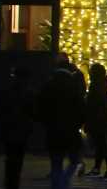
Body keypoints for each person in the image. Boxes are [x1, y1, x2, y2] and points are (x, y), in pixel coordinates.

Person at [38, 53, 86, 189]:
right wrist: (79, 123)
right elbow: (81, 107)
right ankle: (63, 182)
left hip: (53, 129)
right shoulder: (74, 85)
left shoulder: (49, 85)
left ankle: (57, 184)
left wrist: (46, 122)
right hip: (70, 129)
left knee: (56, 162)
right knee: (74, 159)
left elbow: (41, 107)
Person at [0, 65, 36, 189]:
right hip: (22, 131)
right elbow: (33, 112)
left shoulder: (6, 91)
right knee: (18, 159)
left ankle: (9, 183)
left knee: (10, 158)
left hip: (8, 129)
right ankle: (14, 182)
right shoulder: (29, 93)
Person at [83, 63, 107, 179]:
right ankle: (99, 168)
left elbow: (95, 105)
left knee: (101, 144)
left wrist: (90, 119)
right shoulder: (102, 85)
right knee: (101, 144)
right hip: (101, 120)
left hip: (97, 120)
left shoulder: (97, 85)